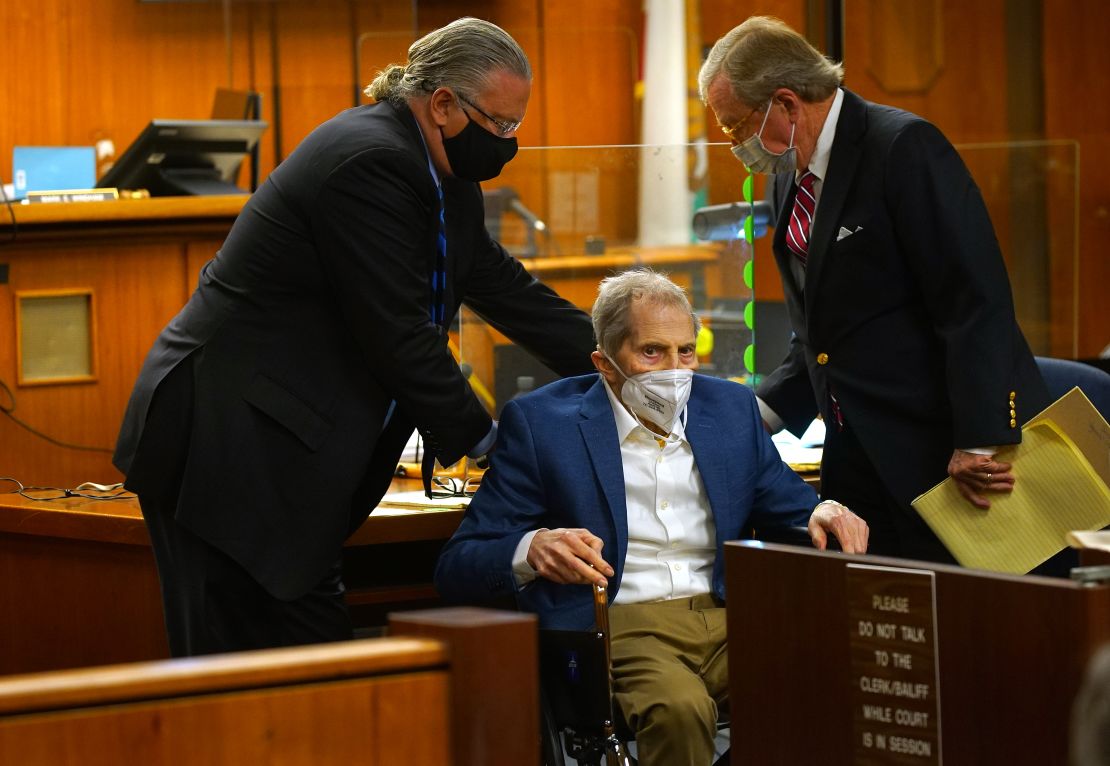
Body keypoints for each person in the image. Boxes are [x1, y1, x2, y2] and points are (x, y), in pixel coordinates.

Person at [113, 17, 596, 657]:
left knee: (315, 674)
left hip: (286, 452)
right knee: (238, 679)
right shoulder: (371, 160)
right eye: (500, 124)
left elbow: (501, 285)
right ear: (444, 104)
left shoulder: (445, 172)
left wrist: (612, 353)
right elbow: (397, 331)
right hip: (227, 445)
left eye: (515, 127)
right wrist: (491, 444)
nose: (506, 141)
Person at [435, 269, 868, 766]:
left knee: (833, 683)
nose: (675, 370)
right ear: (604, 362)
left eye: (685, 351)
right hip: (625, 622)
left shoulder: (728, 408)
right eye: (651, 352)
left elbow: (788, 503)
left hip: (730, 616)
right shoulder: (542, 425)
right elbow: (458, 565)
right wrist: (530, 547)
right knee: (679, 710)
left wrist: (824, 509)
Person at [699, 16, 1050, 563]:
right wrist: (754, 417)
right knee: (876, 624)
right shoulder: (789, 173)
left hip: (943, 452)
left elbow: (973, 301)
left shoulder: (903, 146)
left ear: (786, 103)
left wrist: (978, 440)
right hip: (855, 451)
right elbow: (819, 331)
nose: (734, 145)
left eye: (735, 126)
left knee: (966, 627)